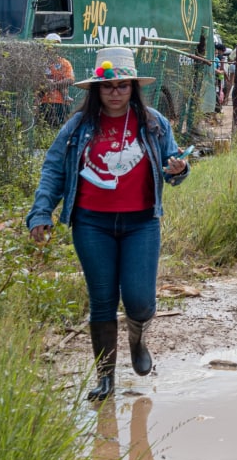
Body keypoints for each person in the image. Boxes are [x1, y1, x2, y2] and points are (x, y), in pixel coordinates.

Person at [26, 46, 191, 402]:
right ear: (95, 90)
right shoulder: (78, 127)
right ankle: (106, 378)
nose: (115, 93)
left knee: (140, 301)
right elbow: (53, 169)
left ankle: (138, 337)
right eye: (107, 87)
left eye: (122, 86)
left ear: (133, 87)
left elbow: (173, 163)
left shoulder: (153, 123)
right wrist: (42, 212)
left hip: (141, 223)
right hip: (91, 224)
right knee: (102, 301)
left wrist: (179, 168)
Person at [38, 33, 74, 127]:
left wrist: (54, 85)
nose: (54, 47)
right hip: (44, 102)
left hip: (61, 103)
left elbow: (70, 80)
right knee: (43, 129)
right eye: (51, 44)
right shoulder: (40, 63)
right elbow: (36, 81)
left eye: (56, 44)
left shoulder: (65, 63)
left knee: (60, 129)